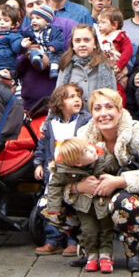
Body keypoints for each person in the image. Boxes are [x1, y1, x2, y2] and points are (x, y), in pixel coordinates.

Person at [48, 89, 139, 271]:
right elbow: (60, 174)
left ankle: (132, 250)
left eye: (109, 107)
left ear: (119, 110)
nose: (103, 113)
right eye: (97, 109)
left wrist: (120, 181)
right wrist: (76, 187)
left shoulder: (138, 132)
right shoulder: (83, 134)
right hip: (91, 201)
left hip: (136, 202)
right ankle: (89, 250)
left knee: (124, 202)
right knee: (46, 206)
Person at [45, 137, 120, 273]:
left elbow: (115, 167)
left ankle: (106, 256)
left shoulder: (101, 159)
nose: (91, 149)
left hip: (102, 203)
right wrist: (54, 208)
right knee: (89, 231)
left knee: (106, 230)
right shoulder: (65, 170)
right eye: (86, 151)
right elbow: (55, 186)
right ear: (78, 163)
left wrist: (112, 175)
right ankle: (91, 255)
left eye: (88, 146)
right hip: (84, 207)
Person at [33, 83, 90, 256]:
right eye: (71, 97)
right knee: (52, 203)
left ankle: (74, 241)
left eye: (78, 96)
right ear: (59, 103)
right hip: (54, 171)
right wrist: (38, 163)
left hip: (76, 172)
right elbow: (42, 144)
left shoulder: (85, 120)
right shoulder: (50, 123)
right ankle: (53, 240)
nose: (76, 100)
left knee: (75, 205)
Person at [55, 24, 116, 101]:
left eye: (87, 40)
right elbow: (57, 99)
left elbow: (113, 100)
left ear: (95, 44)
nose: (82, 44)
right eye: (77, 41)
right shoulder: (65, 65)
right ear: (72, 45)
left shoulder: (106, 67)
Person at [23, 3, 66, 78]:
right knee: (33, 52)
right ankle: (37, 61)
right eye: (32, 18)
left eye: (37, 18)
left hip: (51, 51)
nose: (33, 21)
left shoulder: (54, 30)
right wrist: (24, 42)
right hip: (40, 51)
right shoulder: (30, 30)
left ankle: (54, 70)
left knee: (56, 57)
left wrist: (53, 46)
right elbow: (23, 35)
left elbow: (60, 40)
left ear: (47, 21)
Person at [96, 7, 132, 95]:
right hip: (102, 72)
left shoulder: (121, 36)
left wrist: (119, 65)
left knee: (118, 92)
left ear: (114, 25)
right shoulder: (98, 37)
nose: (99, 25)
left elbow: (128, 51)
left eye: (103, 22)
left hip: (117, 71)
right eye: (98, 22)